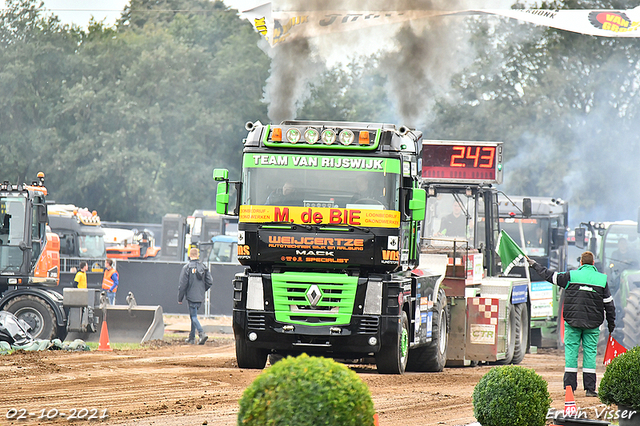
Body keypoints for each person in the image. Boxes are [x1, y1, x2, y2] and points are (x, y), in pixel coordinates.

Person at [528, 251, 615, 397]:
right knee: (589, 354)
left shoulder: (571, 276)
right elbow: (609, 305)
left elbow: (550, 276)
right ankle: (590, 389)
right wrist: (611, 324)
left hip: (572, 322)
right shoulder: (602, 280)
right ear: (593, 264)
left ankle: (569, 387)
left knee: (571, 354)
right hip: (593, 324)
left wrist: (535, 265)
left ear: (580, 263)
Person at [178, 247, 213, 345]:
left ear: (189, 255)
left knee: (193, 317)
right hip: (200, 296)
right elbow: (210, 281)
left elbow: (182, 285)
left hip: (191, 296)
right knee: (193, 316)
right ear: (198, 255)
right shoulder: (204, 267)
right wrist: (203, 290)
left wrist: (180, 298)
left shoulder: (187, 268)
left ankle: (201, 334)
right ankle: (191, 338)